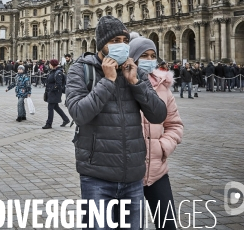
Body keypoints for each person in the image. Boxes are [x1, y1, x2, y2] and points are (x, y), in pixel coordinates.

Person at [65, 16, 167, 229]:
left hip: (133, 176)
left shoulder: (135, 73)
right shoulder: (80, 70)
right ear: (101, 44)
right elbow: (79, 114)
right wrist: (108, 81)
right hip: (97, 177)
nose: (121, 45)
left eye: (124, 40)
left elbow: (158, 115)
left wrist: (136, 83)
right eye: (114, 41)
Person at [129, 34, 183, 230]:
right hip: (128, 173)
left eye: (153, 55)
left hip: (157, 171)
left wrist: (162, 147)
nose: (150, 60)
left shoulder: (163, 88)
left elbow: (175, 125)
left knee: (167, 224)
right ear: (133, 58)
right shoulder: (124, 86)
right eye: (145, 55)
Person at [42, 59, 70, 129]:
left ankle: (49, 123)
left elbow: (58, 84)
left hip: (54, 93)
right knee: (56, 107)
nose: (49, 65)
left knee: (50, 108)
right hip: (51, 92)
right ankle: (66, 119)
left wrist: (52, 89)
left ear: (52, 65)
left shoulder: (58, 73)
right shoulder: (53, 71)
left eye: (50, 64)